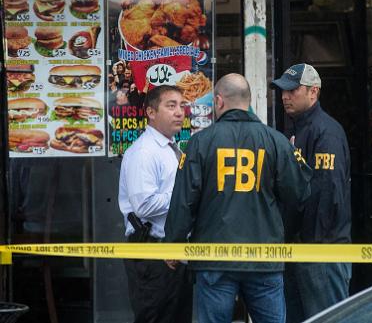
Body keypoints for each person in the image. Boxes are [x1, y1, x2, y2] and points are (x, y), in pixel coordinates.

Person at [164, 73, 311, 323]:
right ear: (249, 100)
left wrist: (174, 242)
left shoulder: (200, 143)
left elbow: (184, 199)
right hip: (264, 258)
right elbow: (299, 195)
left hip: (214, 258)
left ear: (219, 101)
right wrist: (278, 232)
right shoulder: (276, 141)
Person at [270, 63, 352, 322]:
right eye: (283, 91)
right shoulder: (296, 128)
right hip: (300, 249)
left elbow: (327, 193)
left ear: (313, 92)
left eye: (293, 90)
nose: (285, 96)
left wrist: (313, 245)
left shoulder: (325, 132)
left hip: (321, 250)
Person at [118, 85, 192, 323]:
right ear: (150, 112)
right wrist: (186, 197)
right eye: (171, 106)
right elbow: (145, 205)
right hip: (152, 254)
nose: (180, 112)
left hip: (174, 252)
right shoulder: (144, 152)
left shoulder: (171, 149)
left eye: (182, 106)